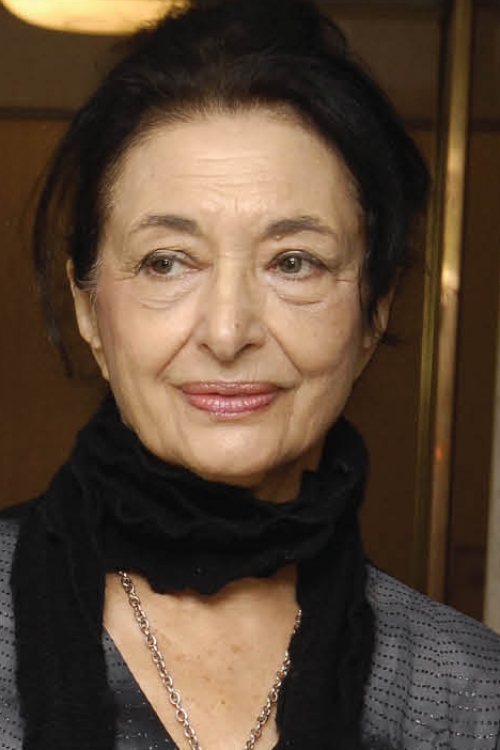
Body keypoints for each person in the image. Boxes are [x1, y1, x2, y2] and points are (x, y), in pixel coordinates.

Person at [1, 0, 500, 749]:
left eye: (293, 262)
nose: (229, 332)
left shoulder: (469, 695)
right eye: (167, 262)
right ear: (88, 310)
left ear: (374, 312)